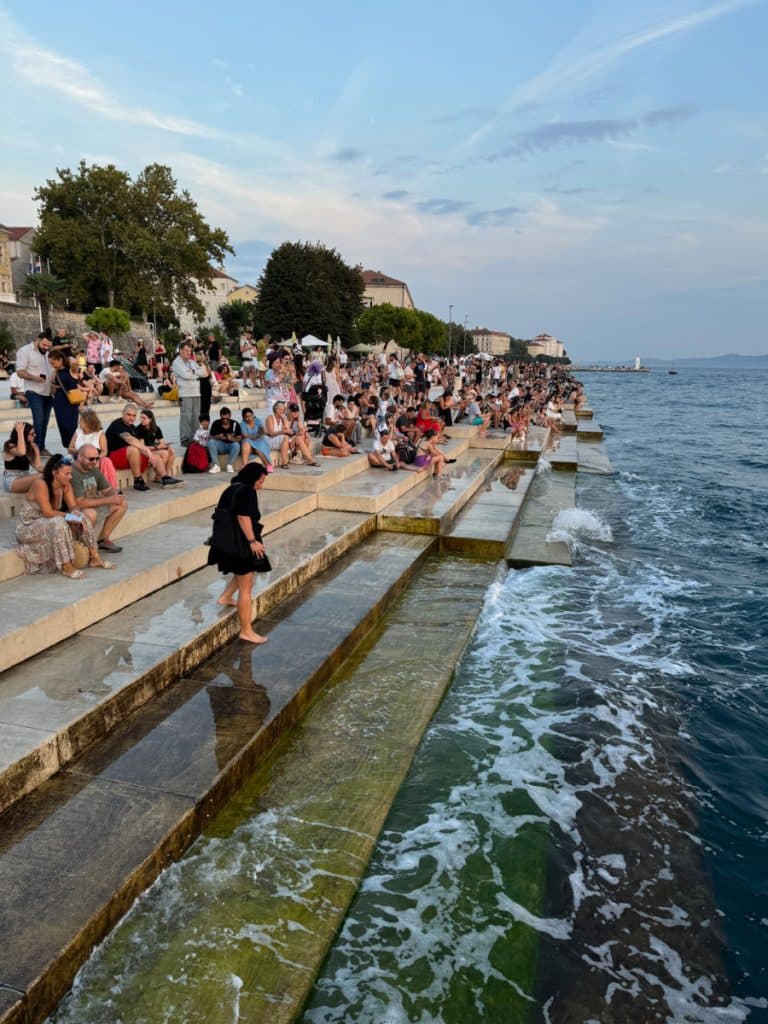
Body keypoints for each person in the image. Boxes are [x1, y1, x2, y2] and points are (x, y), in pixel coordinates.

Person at [14, 453, 115, 579]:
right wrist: (70, 517)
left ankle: (95, 558)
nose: (70, 477)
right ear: (54, 472)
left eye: (70, 473)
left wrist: (76, 514)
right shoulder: (40, 484)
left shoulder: (65, 485)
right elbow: (48, 513)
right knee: (59, 522)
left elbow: (73, 506)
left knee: (82, 517)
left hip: (48, 522)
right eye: (66, 474)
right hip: (28, 527)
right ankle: (66, 566)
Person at [207, 462, 270, 644]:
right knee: (246, 587)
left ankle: (225, 597)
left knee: (243, 573)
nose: (261, 486)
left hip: (226, 541)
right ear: (252, 479)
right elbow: (243, 517)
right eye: (260, 481)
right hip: (240, 542)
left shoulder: (232, 488)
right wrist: (253, 541)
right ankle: (246, 631)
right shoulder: (247, 491)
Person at [106, 403, 181, 491]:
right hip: (113, 458)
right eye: (128, 414)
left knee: (156, 456)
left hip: (130, 457)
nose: (131, 417)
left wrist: (150, 454)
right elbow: (130, 440)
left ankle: (165, 478)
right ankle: (138, 481)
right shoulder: (117, 424)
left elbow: (140, 446)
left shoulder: (133, 428)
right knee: (134, 449)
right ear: (123, 413)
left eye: (134, 415)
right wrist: (148, 451)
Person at [70, 444, 128, 553]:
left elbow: (107, 490)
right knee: (90, 513)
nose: (95, 462)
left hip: (91, 505)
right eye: (91, 459)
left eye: (97, 458)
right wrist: (108, 500)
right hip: (72, 512)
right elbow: (80, 503)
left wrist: (116, 493)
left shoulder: (93, 469)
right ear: (80, 457)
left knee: (122, 503)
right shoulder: (73, 473)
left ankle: (102, 540)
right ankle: (82, 547)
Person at [15, 332, 54, 455]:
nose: (46, 348)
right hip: (34, 391)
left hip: (48, 393)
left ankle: (41, 447)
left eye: (48, 346)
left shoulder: (48, 353)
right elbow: (20, 371)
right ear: (38, 339)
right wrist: (34, 378)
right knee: (39, 420)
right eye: (44, 345)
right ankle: (35, 449)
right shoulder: (25, 351)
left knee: (44, 422)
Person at [68, 407, 118, 487]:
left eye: (81, 420)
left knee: (105, 461)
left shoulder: (100, 434)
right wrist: (80, 451)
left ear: (88, 422)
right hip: (78, 457)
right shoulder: (78, 431)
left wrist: (96, 458)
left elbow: (104, 451)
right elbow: (70, 448)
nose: (79, 422)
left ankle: (108, 488)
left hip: (95, 458)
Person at [171, 340, 208, 446]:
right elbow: (185, 375)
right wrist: (196, 374)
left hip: (196, 392)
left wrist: (193, 372)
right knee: (186, 417)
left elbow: (204, 373)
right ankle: (185, 439)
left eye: (190, 351)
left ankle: (195, 438)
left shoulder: (192, 362)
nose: (189, 353)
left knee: (196, 417)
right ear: (181, 351)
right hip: (185, 393)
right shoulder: (177, 362)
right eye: (186, 350)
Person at [49, 347, 83, 448]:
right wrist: (53, 385)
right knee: (62, 427)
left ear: (60, 360)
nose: (52, 365)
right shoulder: (55, 372)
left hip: (71, 402)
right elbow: (53, 390)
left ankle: (75, 448)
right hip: (58, 402)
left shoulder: (71, 369)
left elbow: (75, 362)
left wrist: (67, 358)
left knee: (71, 427)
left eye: (54, 363)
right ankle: (69, 448)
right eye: (51, 363)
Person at [135, 409, 178, 480]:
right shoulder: (139, 429)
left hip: (153, 448)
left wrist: (165, 445)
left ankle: (166, 475)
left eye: (144, 418)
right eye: (141, 417)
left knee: (171, 450)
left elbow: (162, 443)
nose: (141, 420)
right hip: (144, 451)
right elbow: (143, 447)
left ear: (150, 419)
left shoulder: (156, 428)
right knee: (164, 453)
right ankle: (160, 476)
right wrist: (158, 447)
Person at [4, 421, 42, 494]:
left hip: (25, 478)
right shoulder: (10, 445)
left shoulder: (32, 446)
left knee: (52, 476)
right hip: (12, 481)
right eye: (32, 434)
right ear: (24, 434)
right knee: (41, 476)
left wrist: (51, 469)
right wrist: (20, 432)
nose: (35, 435)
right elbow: (21, 452)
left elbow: (38, 467)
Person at [207, 407, 241, 474]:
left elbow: (239, 438)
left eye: (227, 418)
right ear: (220, 417)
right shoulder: (216, 423)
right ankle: (216, 465)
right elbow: (210, 437)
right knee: (211, 442)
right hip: (220, 445)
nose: (225, 420)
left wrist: (232, 439)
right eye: (223, 419)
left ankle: (229, 465)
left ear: (230, 416)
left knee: (236, 445)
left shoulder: (235, 424)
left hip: (231, 445)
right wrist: (218, 436)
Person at [265, 400, 292, 469]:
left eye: (283, 410)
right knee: (285, 438)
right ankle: (284, 463)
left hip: (278, 439)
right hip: (270, 440)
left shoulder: (282, 418)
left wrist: (284, 420)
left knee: (295, 438)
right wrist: (283, 431)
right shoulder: (270, 418)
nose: (282, 411)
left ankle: (294, 458)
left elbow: (289, 431)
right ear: (275, 409)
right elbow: (271, 433)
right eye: (280, 409)